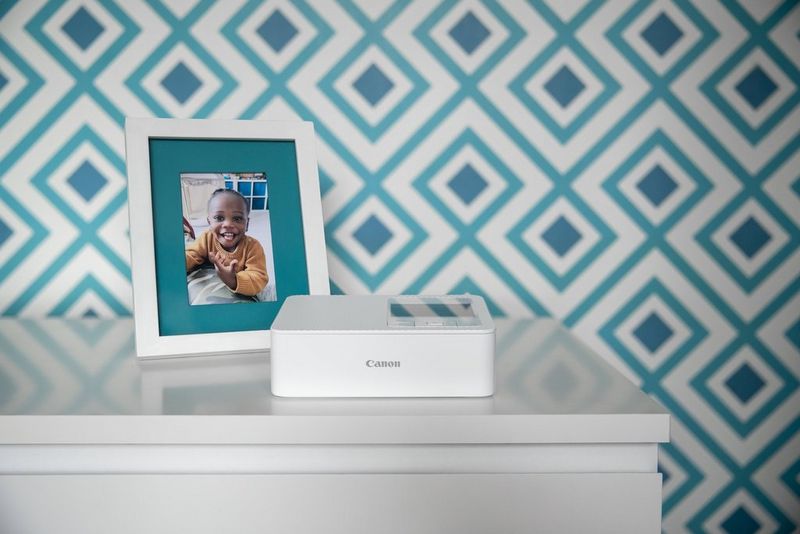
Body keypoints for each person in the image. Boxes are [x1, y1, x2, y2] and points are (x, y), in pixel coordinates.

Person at [185, 188, 268, 298]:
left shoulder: (253, 247)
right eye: (219, 218)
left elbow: (259, 277)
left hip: (244, 290)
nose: (228, 224)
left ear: (247, 224)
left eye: (237, 219)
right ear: (209, 223)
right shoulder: (207, 238)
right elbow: (192, 255)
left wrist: (233, 279)